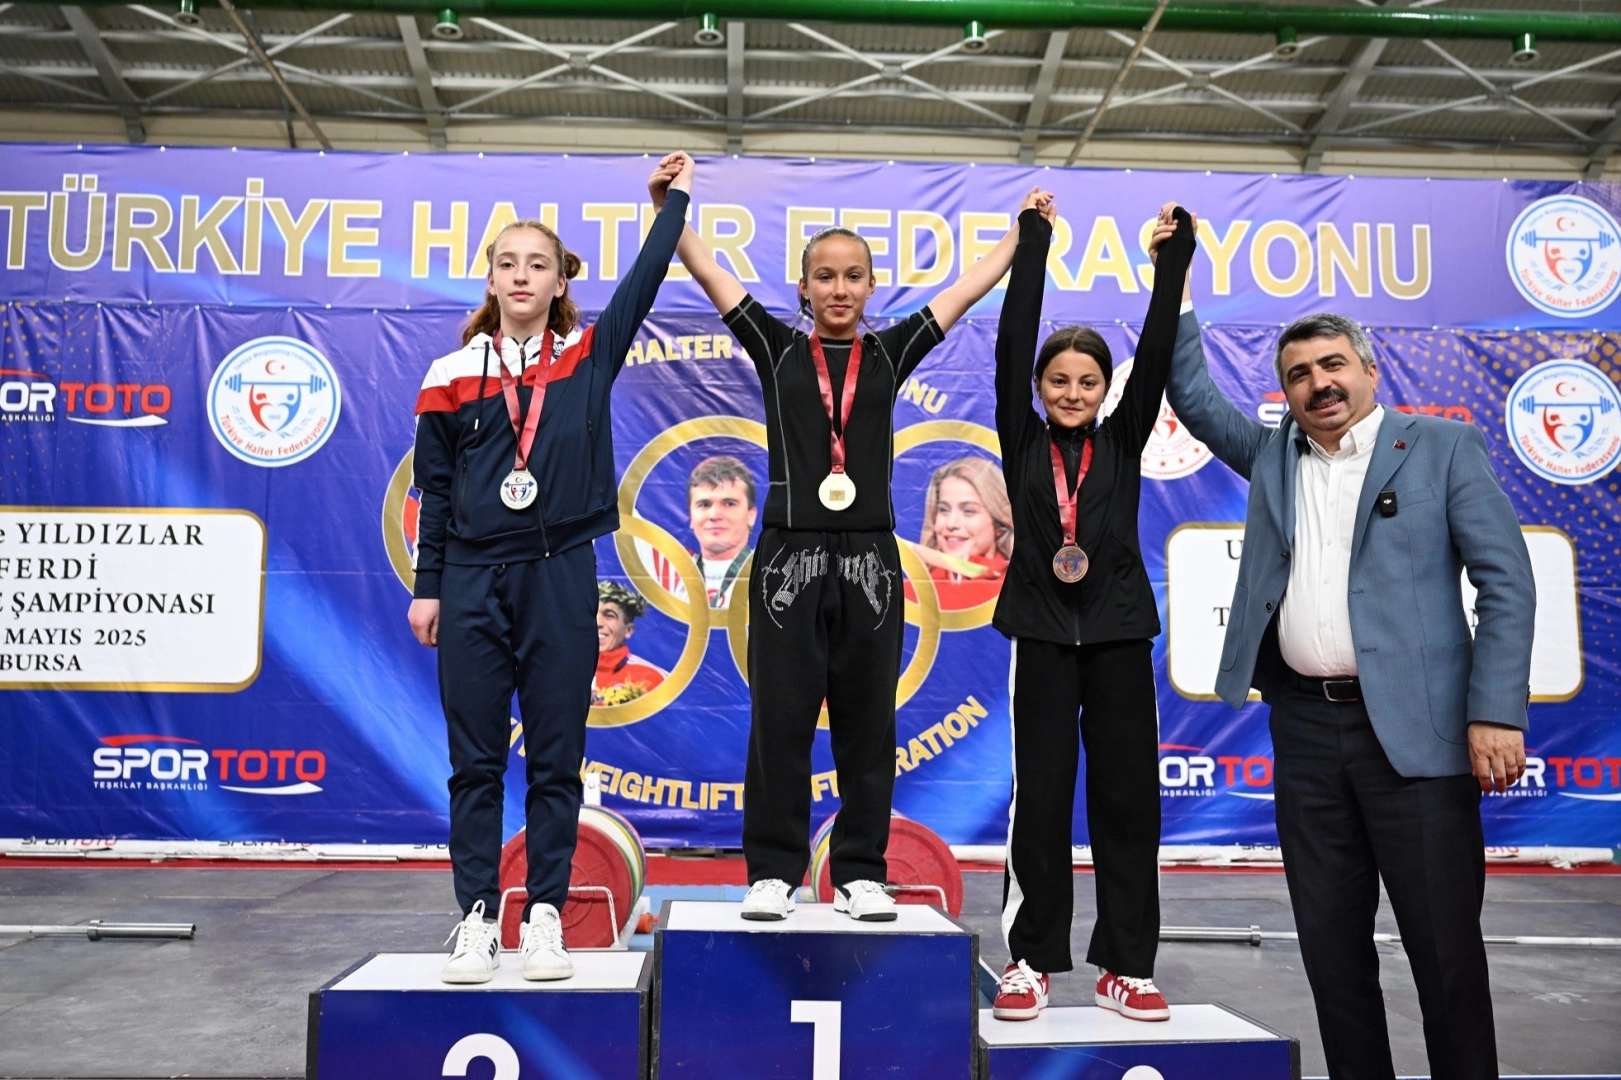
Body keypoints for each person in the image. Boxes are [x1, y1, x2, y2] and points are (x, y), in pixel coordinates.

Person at [1165, 262, 1533, 1074]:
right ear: (1285, 392)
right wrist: (1176, 286)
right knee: (1330, 955)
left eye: (1332, 364)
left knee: (1444, 955)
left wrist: (1494, 711)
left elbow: (1506, 581)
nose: (1318, 383)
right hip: (1304, 732)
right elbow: (1188, 393)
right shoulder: (1271, 456)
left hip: (1420, 740)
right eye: (1298, 374)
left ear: (1369, 370)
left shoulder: (1440, 447)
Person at [667, 178, 1046, 923]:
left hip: (871, 558)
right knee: (779, 719)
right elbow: (707, 269)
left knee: (867, 722)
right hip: (787, 557)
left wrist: (1020, 232)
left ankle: (860, 873)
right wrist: (669, 206)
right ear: (803, 288)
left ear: (872, 287)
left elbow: (964, 291)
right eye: (824, 276)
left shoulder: (889, 351)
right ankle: (772, 873)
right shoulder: (775, 348)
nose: (838, 289)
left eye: (852, 277)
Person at [407, 153, 695, 985]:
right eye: (507, 263)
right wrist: (428, 587)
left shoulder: (587, 355)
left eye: (537, 264)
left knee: (556, 758)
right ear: (490, 279)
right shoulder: (450, 375)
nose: (521, 275)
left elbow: (644, 279)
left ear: (559, 279)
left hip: (560, 570)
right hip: (470, 578)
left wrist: (671, 204)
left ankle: (543, 917)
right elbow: (434, 490)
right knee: (474, 761)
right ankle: (474, 919)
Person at [984, 198, 1196, 1025]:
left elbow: (1159, 347)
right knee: (1038, 802)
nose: (1072, 392)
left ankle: (1126, 968)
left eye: (1087, 381)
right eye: (1057, 380)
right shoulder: (1020, 438)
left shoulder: (1123, 437)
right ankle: (1029, 961)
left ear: (1108, 391)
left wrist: (1172, 261)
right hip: (1039, 635)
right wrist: (1033, 243)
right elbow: (1013, 335)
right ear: (1037, 389)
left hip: (1117, 637)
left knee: (1126, 804)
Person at [651, 455, 758, 609]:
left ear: (751, 515)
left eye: (729, 504)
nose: (714, 515)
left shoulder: (772, 573)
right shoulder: (671, 571)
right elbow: (624, 512)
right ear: (691, 517)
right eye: (704, 504)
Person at [915, 456, 1014, 610]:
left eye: (968, 511)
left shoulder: (1021, 588)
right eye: (943, 510)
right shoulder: (915, 591)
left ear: (998, 523)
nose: (951, 524)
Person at [593, 581, 668, 704]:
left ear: (628, 630)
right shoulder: (562, 672)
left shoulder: (654, 678)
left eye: (609, 615)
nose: (597, 622)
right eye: (591, 612)